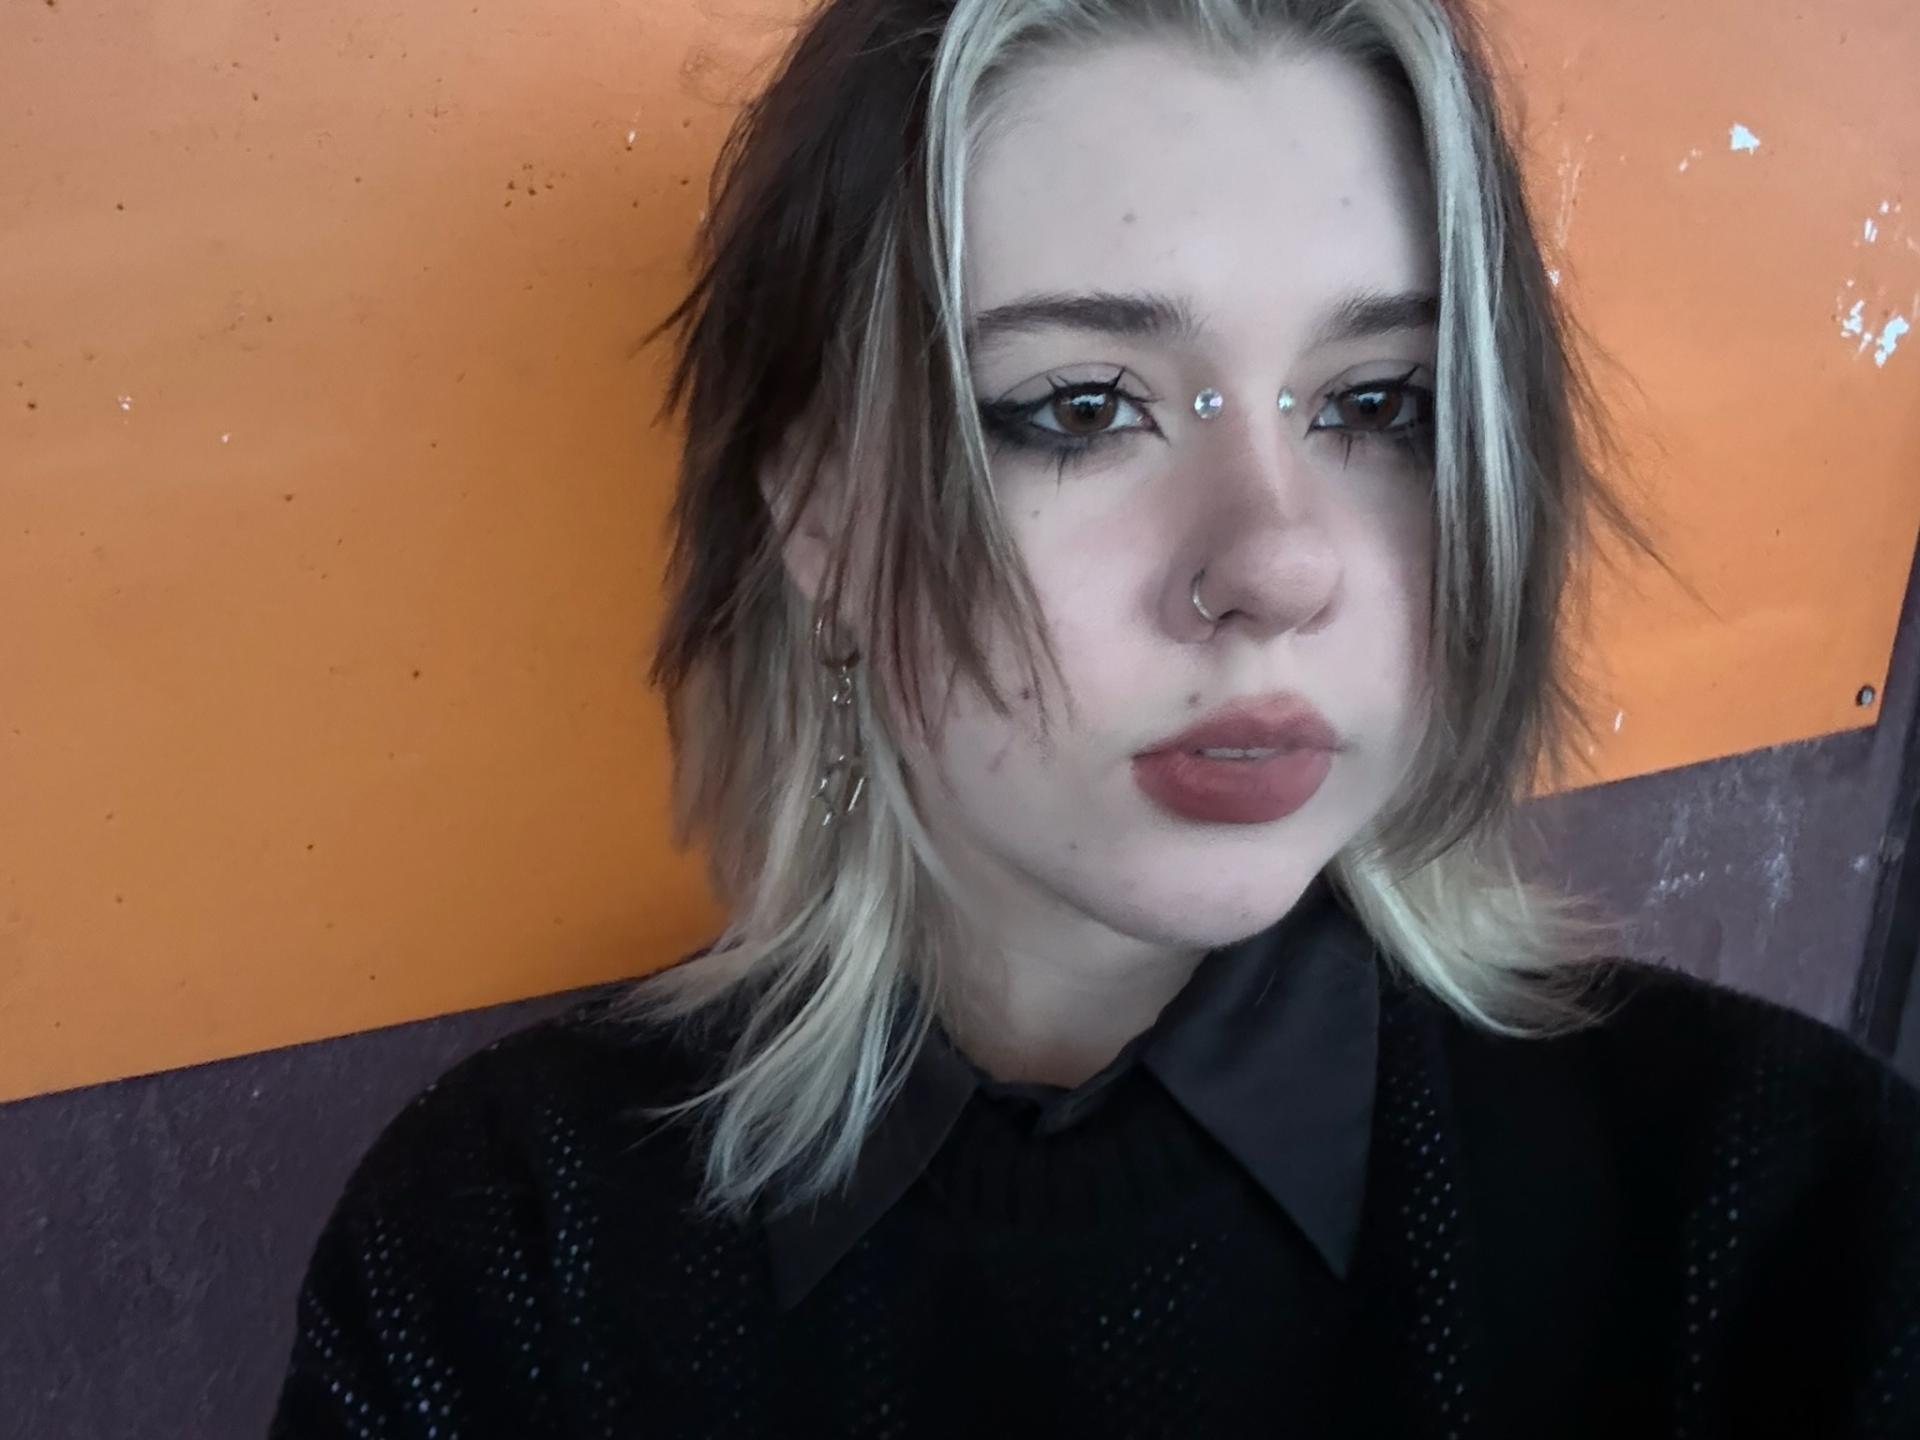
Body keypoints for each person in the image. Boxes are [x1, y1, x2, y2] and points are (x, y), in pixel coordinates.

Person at [267, 0, 1920, 1434]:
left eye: (1378, 402)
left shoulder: (1785, 1224)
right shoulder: (504, 1256)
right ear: (817, 514)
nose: (1274, 562)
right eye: (1080, 408)